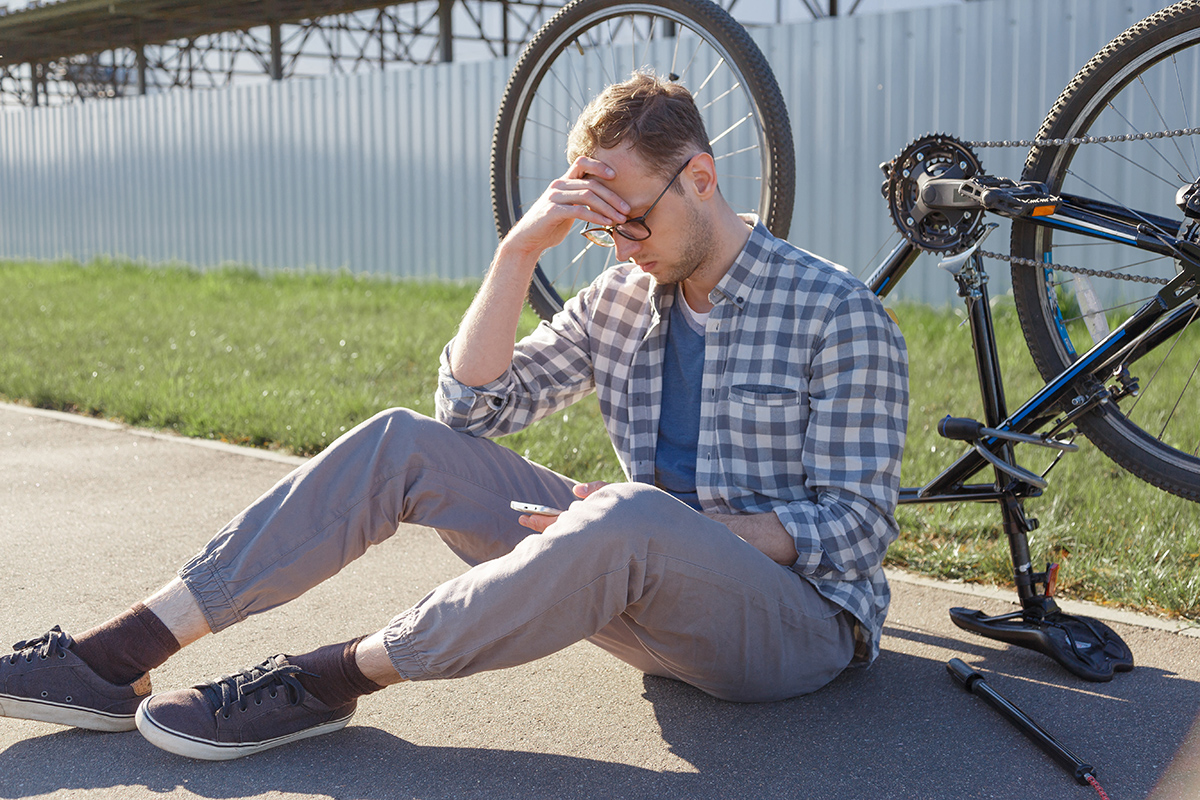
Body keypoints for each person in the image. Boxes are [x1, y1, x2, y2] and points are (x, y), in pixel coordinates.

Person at [0, 72, 908, 761]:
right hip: (638, 590)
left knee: (632, 512)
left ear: (700, 178)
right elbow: (471, 409)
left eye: (626, 218)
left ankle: (325, 678)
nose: (618, 245)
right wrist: (520, 250)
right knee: (405, 441)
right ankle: (118, 653)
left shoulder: (837, 314)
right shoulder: (626, 294)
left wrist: (665, 528)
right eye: (598, 226)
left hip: (791, 633)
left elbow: (856, 530)